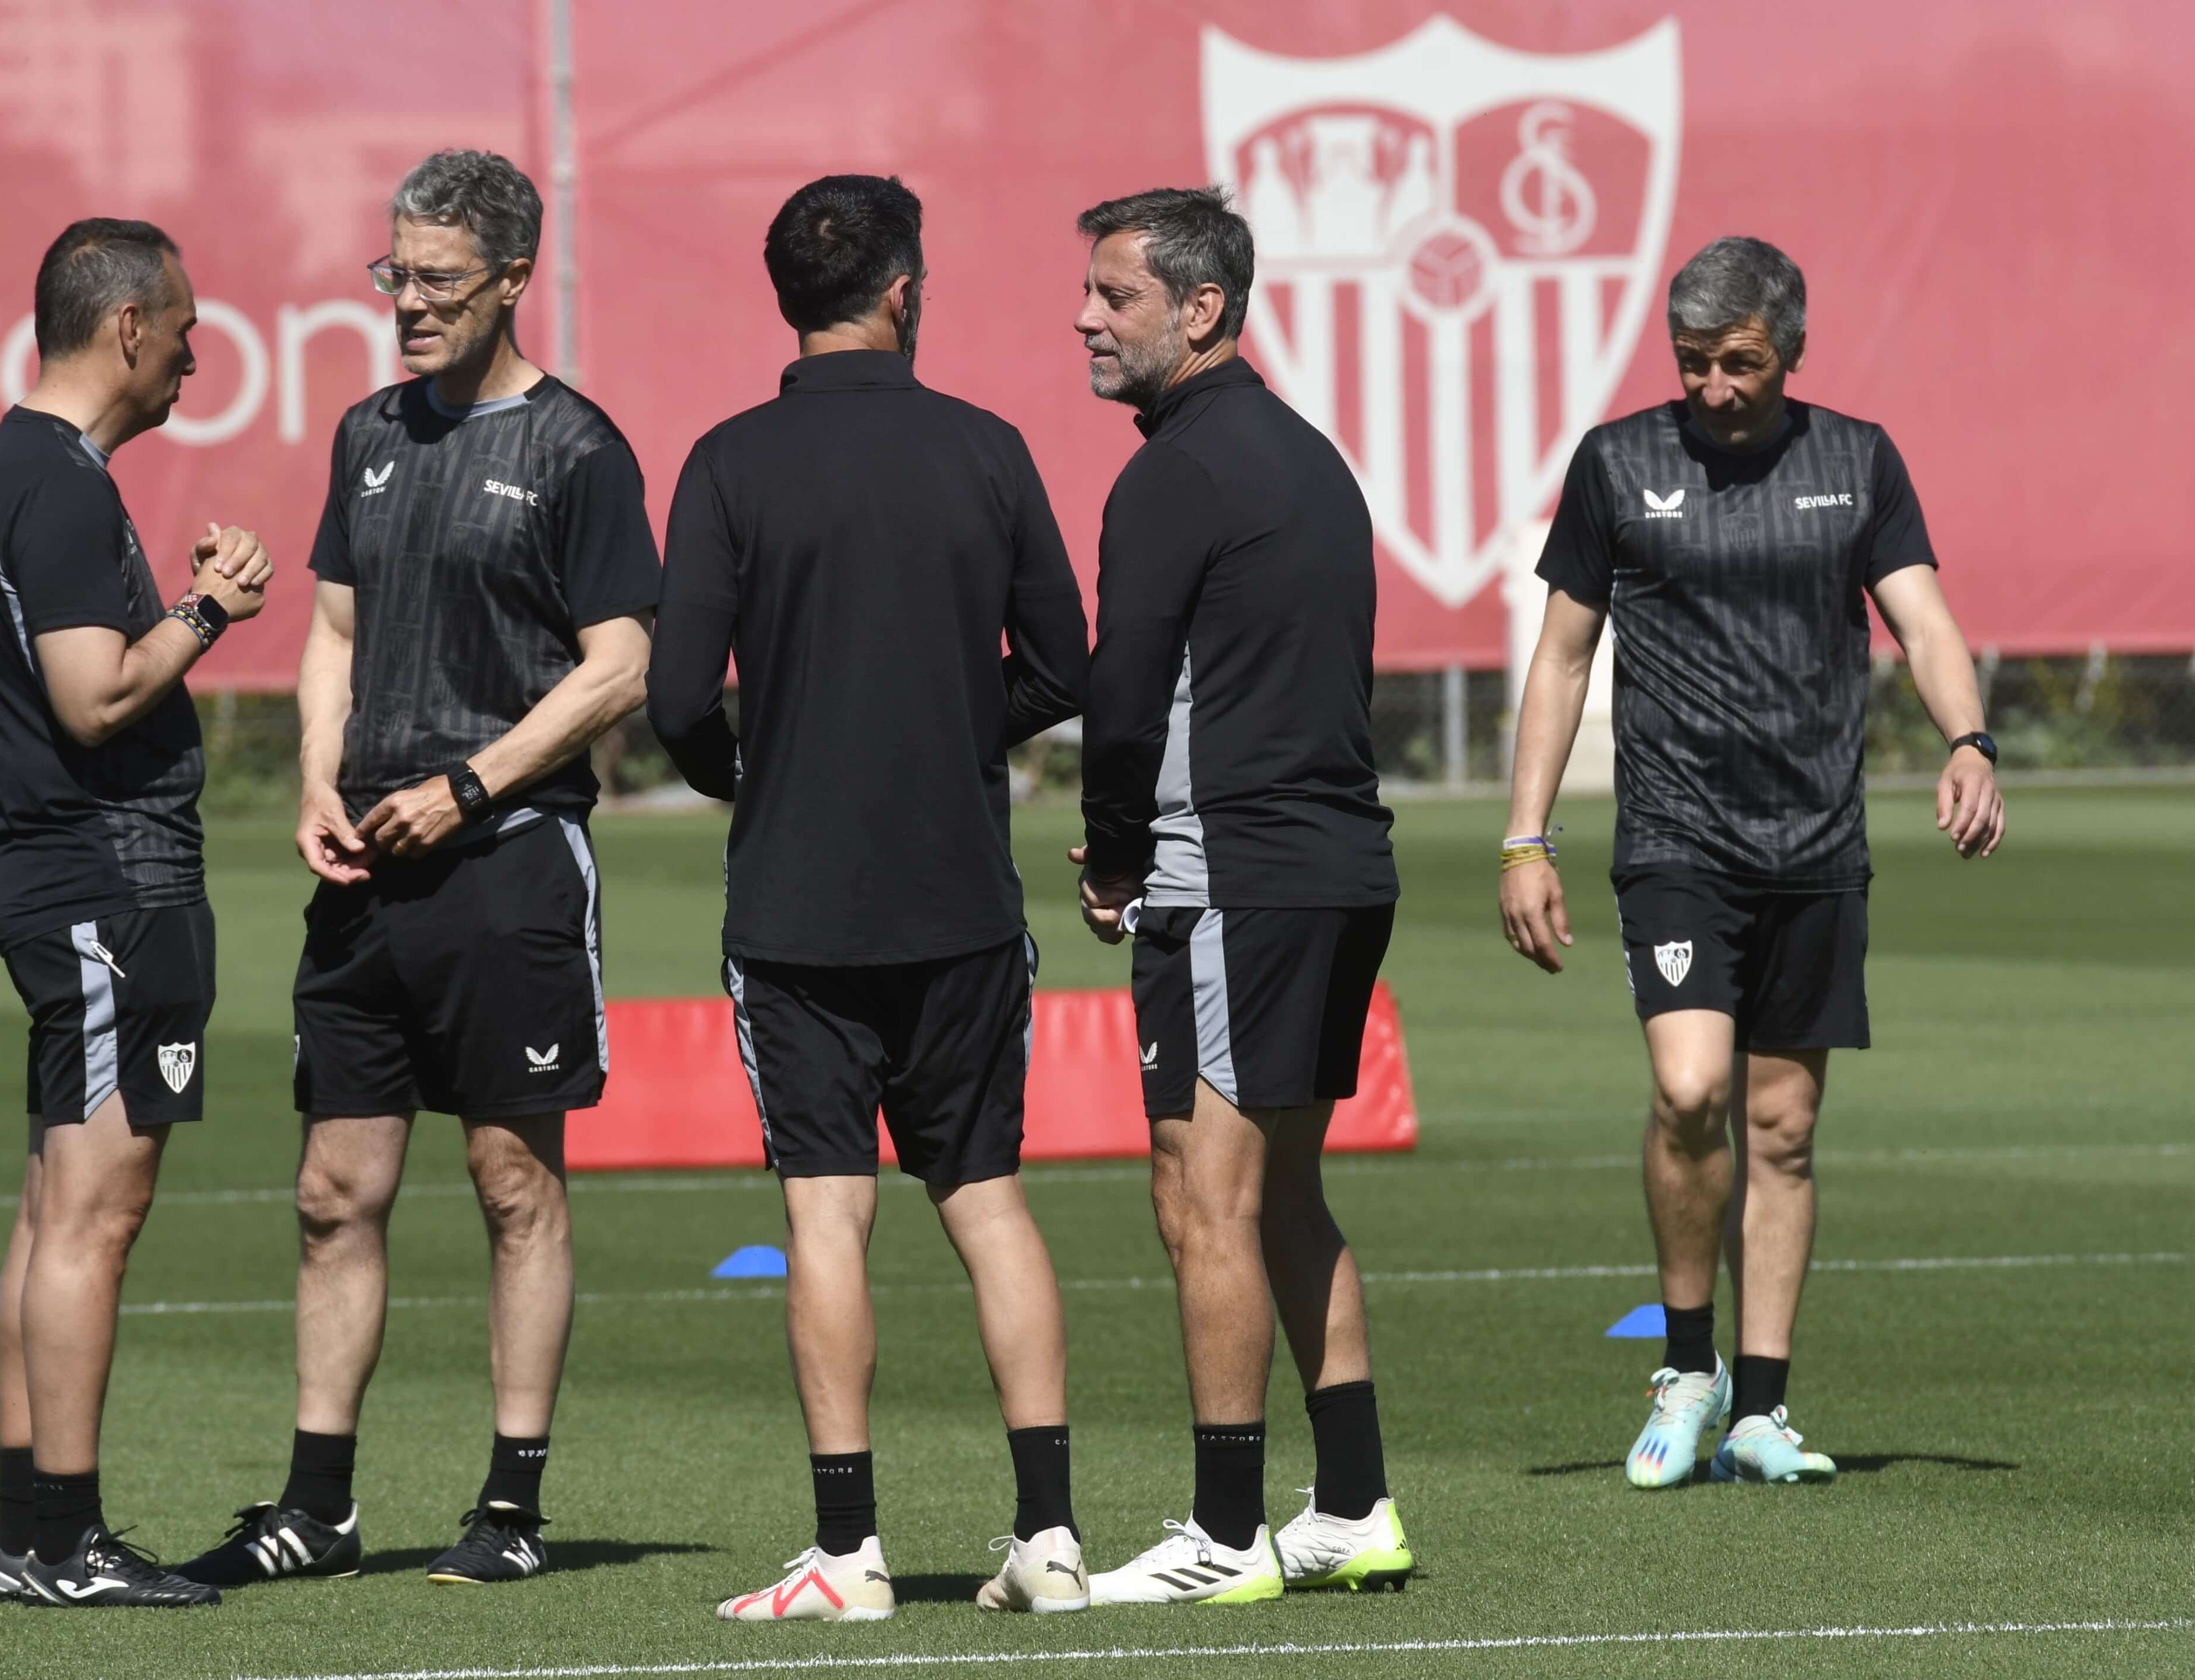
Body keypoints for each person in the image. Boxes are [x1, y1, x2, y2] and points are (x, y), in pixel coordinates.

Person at [179, 150, 660, 1592]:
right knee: (335, 1189)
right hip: (363, 873)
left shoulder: (581, 448)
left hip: (507, 860)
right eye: (394, 276)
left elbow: (622, 665)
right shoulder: (367, 433)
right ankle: (316, 1507)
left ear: (514, 277)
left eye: (438, 281)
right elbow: (333, 627)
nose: (407, 305)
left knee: (515, 1183)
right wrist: (319, 774)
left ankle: (511, 1511)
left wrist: (470, 786)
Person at [649, 174, 1093, 1624]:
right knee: (989, 1202)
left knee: (825, 1217)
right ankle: (1050, 1538)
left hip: (795, 904)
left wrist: (755, 771)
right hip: (960, 891)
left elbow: (671, 702)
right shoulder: (984, 446)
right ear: (903, 290)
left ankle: (849, 1555)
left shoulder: (726, 460)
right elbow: (1066, 664)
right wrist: (968, 729)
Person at [1498, 235, 2005, 1488]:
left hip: (1816, 839)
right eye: (1692, 364)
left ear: (1790, 350)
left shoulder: (1857, 460)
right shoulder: (1619, 462)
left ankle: (1761, 1411)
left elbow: (1923, 615)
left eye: (1738, 364)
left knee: (1781, 1124)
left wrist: (1969, 741)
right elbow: (1563, 658)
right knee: (1688, 1090)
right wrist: (1525, 836)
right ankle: (1684, 1366)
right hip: (1675, 836)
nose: (1713, 388)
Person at [1068, 187, 1412, 1606]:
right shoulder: (1303, 455)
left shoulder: (1173, 474)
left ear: (1200, 311)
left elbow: (1124, 694)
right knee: (1280, 1196)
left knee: (1202, 1200)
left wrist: (1110, 851)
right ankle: (1351, 1508)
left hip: (1236, 881)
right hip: (1334, 871)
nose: (1085, 318)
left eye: (1115, 297)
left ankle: (1222, 1535)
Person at [0, 217, 273, 1609]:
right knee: (94, 1211)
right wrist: (208, 609)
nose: (199, 358)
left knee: (51, 1209)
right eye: (189, 330)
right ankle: (64, 1542)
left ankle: (32, 1530)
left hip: (72, 881)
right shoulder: (60, 483)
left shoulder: (26, 469)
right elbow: (91, 698)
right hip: (105, 888)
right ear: (128, 325)